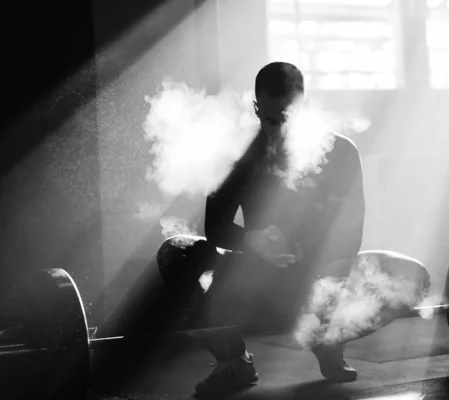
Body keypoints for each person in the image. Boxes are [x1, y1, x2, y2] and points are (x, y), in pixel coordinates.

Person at [156, 62, 424, 396]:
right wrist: (252, 241)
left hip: (318, 283)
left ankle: (326, 339)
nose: (277, 130)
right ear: (256, 108)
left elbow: (350, 233)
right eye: (268, 120)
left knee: (414, 277)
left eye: (286, 119)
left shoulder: (340, 152)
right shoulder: (235, 156)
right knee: (176, 252)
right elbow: (215, 229)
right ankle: (233, 360)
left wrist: (300, 250)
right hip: (254, 281)